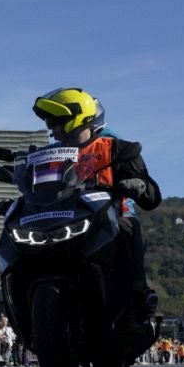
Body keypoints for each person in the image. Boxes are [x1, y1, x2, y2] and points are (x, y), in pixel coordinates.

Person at [31, 87, 163, 321]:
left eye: (56, 121)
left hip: (107, 216)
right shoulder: (50, 153)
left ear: (75, 119)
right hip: (64, 218)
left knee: (127, 227)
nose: (50, 127)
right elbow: (34, 186)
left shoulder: (115, 147)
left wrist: (137, 185)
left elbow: (151, 196)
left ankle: (138, 293)